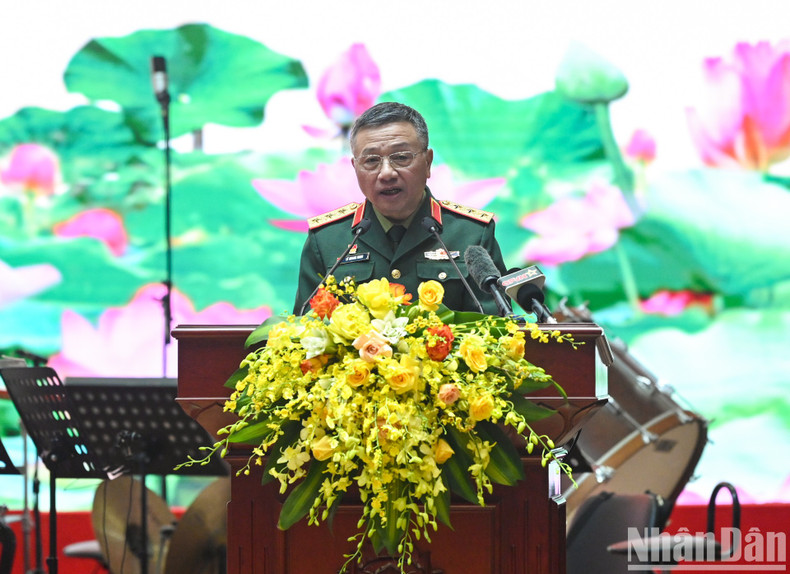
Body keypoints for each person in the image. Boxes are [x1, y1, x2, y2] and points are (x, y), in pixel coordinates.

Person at [293, 102, 507, 315]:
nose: (386, 173)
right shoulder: (326, 239)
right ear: (355, 168)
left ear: (428, 162)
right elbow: (305, 332)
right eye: (371, 160)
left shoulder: (472, 233)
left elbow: (496, 328)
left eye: (401, 157)